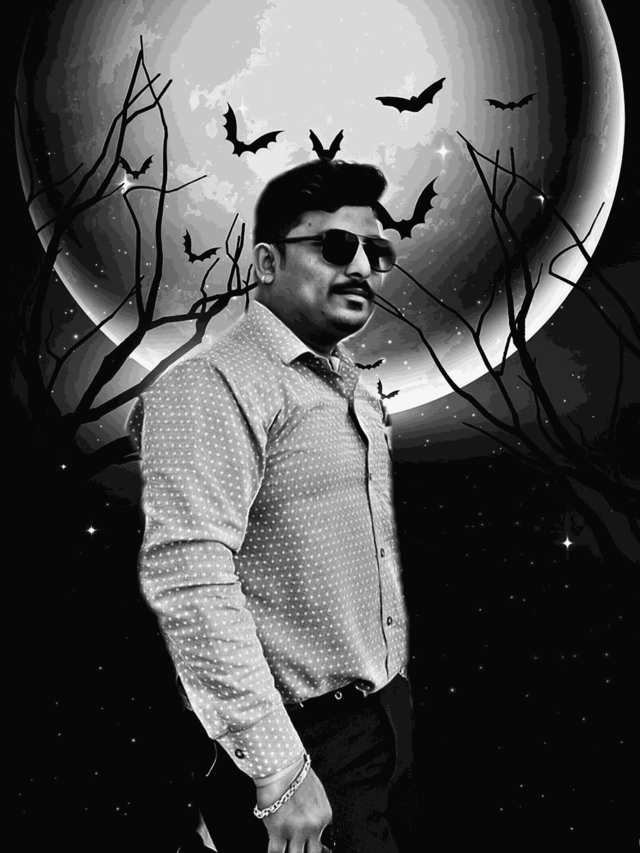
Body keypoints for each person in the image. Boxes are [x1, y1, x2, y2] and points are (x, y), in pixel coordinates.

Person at [129, 158, 413, 852]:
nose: (362, 267)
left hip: (380, 717)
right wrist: (278, 768)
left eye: (376, 251)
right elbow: (189, 579)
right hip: (295, 747)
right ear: (265, 261)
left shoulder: (352, 386)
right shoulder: (211, 384)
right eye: (335, 246)